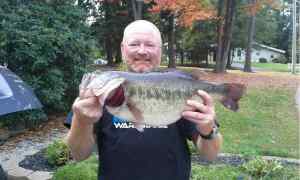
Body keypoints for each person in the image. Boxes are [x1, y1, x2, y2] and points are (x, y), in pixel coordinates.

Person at [65, 20, 222, 180]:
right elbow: (79, 155)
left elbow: (210, 155)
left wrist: (208, 129)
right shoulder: (101, 92)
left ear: (160, 51)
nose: (142, 51)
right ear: (122, 49)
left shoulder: (180, 88)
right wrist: (81, 121)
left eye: (150, 45)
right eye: (134, 44)